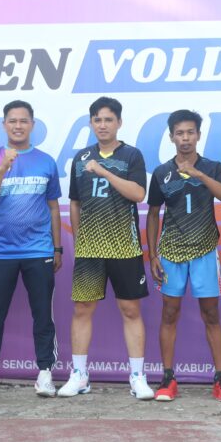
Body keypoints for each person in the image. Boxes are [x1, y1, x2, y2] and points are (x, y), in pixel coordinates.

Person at [58, 96, 154, 400]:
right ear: (91, 123)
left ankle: (137, 377)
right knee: (82, 310)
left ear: (119, 123)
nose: (102, 125)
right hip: (89, 250)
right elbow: (75, 203)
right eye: (97, 120)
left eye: (108, 119)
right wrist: (79, 238)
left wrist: (105, 172)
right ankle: (79, 375)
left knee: (130, 310)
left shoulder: (132, 155)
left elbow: (138, 194)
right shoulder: (80, 157)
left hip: (124, 248)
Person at [0, 100, 62, 398]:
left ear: (32, 125)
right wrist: (3, 167)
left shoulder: (46, 161)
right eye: (12, 121)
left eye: (23, 121)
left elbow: (53, 207)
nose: (18, 126)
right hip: (0, 251)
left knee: (43, 314)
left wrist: (57, 248)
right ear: (4, 125)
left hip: (39, 251)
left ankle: (45, 372)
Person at [146, 109, 221, 403]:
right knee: (169, 313)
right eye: (179, 133)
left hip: (204, 251)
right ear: (171, 137)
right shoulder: (161, 172)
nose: (185, 138)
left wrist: (199, 175)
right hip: (171, 251)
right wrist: (153, 255)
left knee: (211, 314)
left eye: (190, 132)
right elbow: (153, 214)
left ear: (198, 135)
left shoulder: (212, 167)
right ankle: (167, 378)